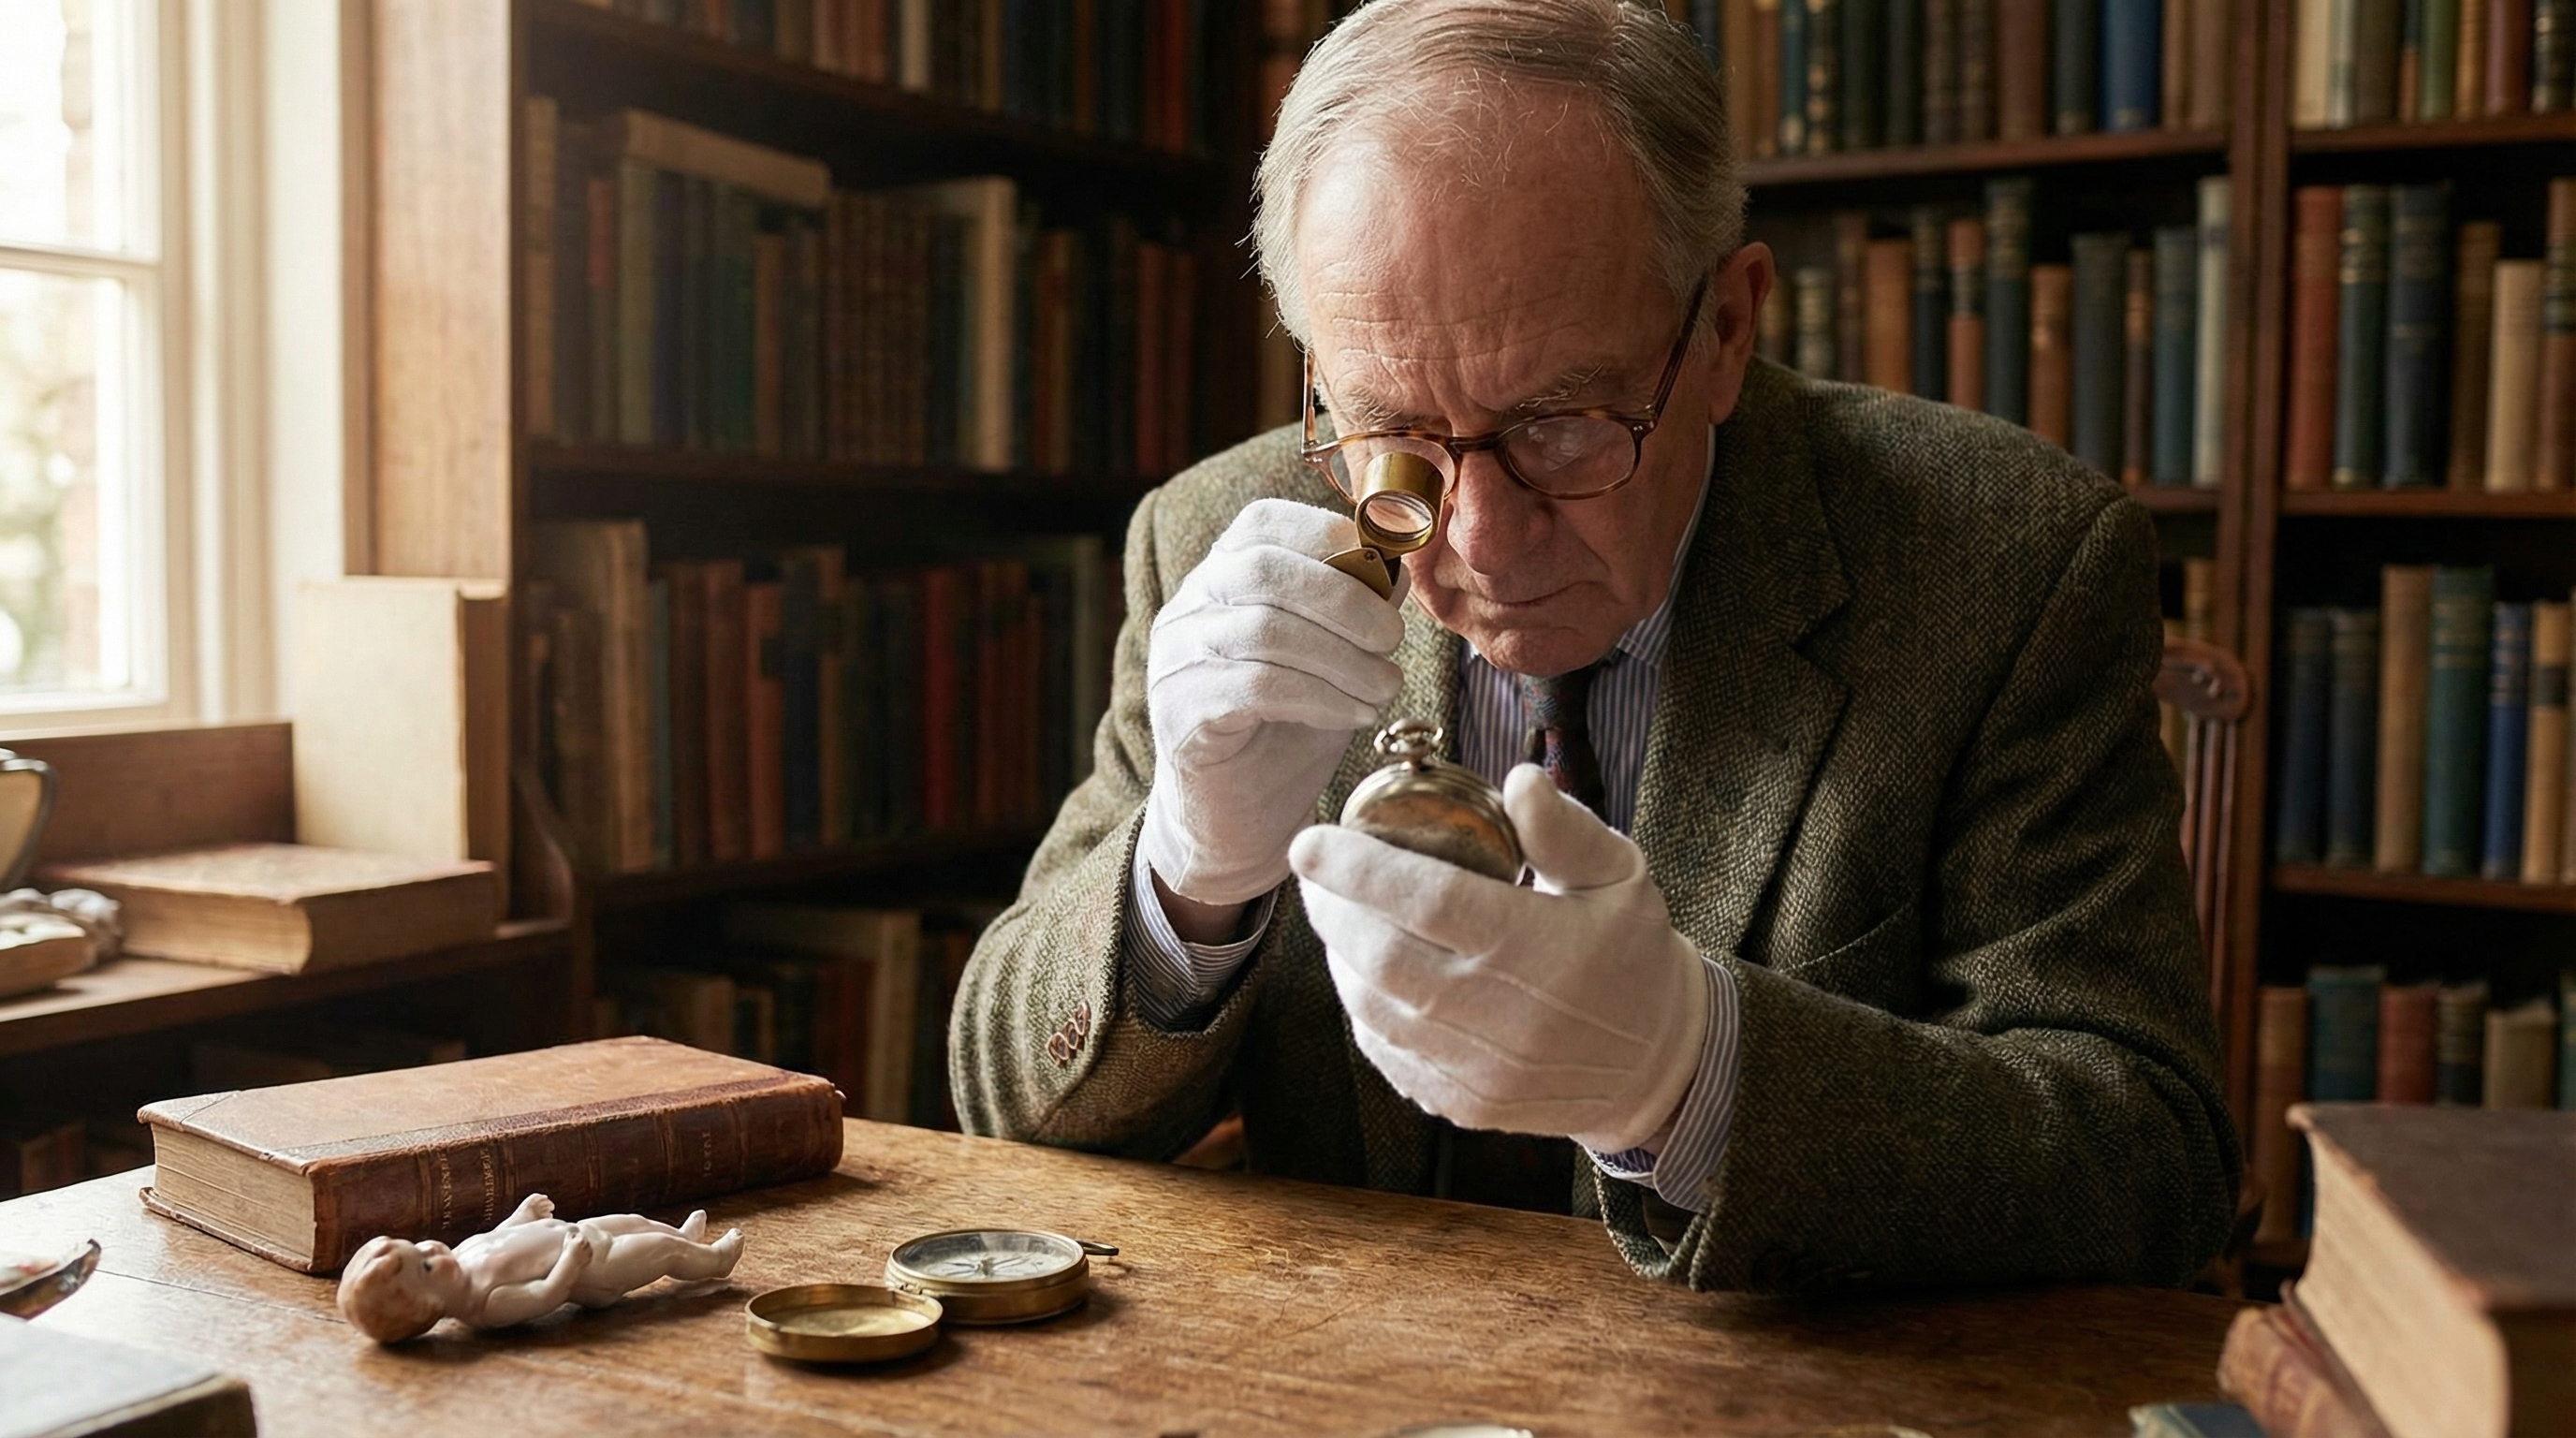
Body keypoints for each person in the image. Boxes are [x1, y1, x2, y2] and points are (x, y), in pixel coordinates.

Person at [951, 0, 2240, 1293]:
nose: (1486, 543)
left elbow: (2152, 1164)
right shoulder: (1214, 534)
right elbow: (1012, 1111)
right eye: (1395, 433)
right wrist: (1186, 876)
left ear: (1727, 327)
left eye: (1560, 425)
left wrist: (1694, 1072)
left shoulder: (2002, 560)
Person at [335, 1194, 743, 1342]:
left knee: (636, 1222)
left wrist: (521, 1215)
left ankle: (685, 1240)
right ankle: (715, 1261)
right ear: (427, 1307)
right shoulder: (486, 1304)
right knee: (658, 1251)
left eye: (418, 1247)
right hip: (593, 1269)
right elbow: (546, 1295)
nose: (432, 1250)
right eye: (425, 1268)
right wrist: (571, 1262)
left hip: (578, 1233)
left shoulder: (459, 1259)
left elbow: (499, 1237)